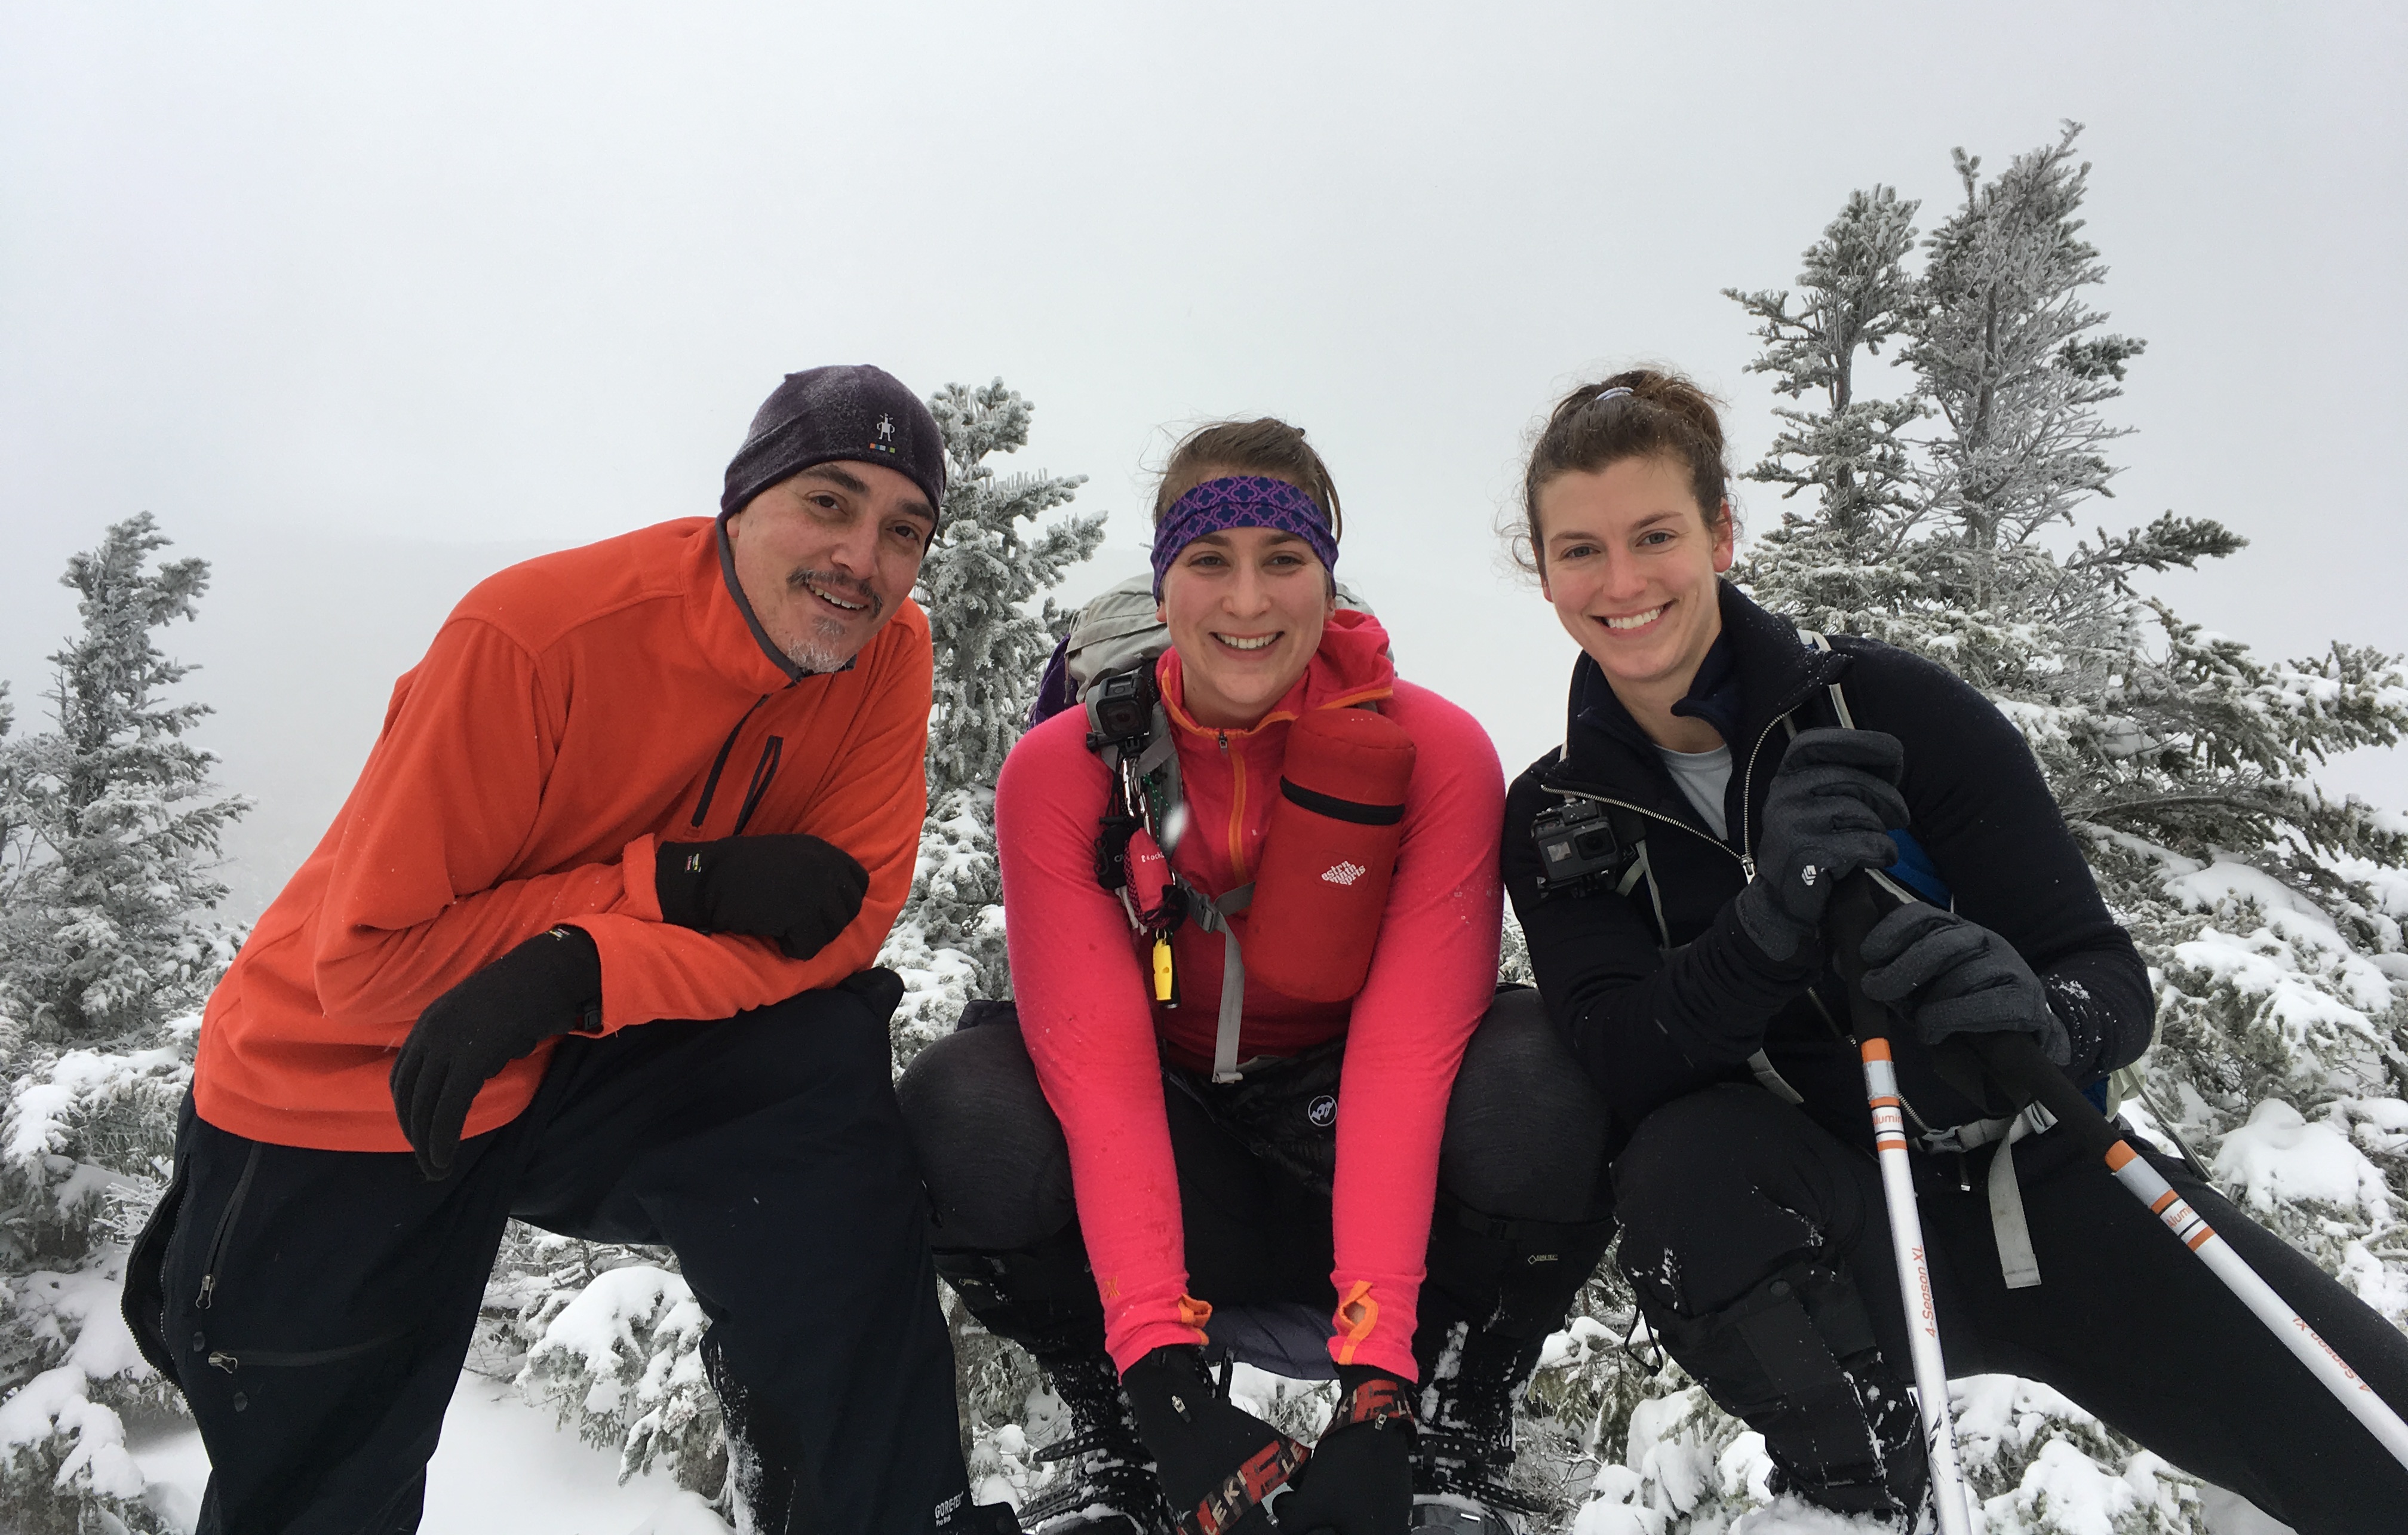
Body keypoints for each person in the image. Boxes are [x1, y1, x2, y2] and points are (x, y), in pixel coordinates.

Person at [1501, 370, 2408, 1531]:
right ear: (1545, 572)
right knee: (1683, 1160)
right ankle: (1865, 1496)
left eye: (1655, 535)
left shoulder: (1886, 709)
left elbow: (2103, 976)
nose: (1622, 583)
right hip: (1828, 1239)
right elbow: (1622, 1055)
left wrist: (2045, 1015)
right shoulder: (1561, 811)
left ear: (1723, 533)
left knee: (2371, 1437)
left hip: (2044, 1182)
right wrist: (1770, 923)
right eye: (1581, 550)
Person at [121, 365, 1011, 1535]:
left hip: (582, 1051)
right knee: (321, 1492)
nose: (865, 558)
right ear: (742, 501)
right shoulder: (537, 636)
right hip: (353, 1075)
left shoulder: (886, 658)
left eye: (906, 530)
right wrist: (671, 887)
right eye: (831, 503)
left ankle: (887, 1511)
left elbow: (838, 927)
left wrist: (585, 969)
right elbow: (371, 965)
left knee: (815, 1075)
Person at [901, 420, 1616, 1535]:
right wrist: (1162, 1380)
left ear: (1328, 580)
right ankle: (1124, 1441)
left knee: (1544, 1079)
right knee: (966, 1104)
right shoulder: (1066, 769)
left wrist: (1377, 1385)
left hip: (1370, 1149)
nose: (1247, 601)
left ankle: (1450, 1428)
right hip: (1178, 1158)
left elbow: (1410, 1055)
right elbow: (1099, 1078)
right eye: (1209, 561)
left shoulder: (1436, 752)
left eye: (1283, 561)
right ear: (1163, 578)